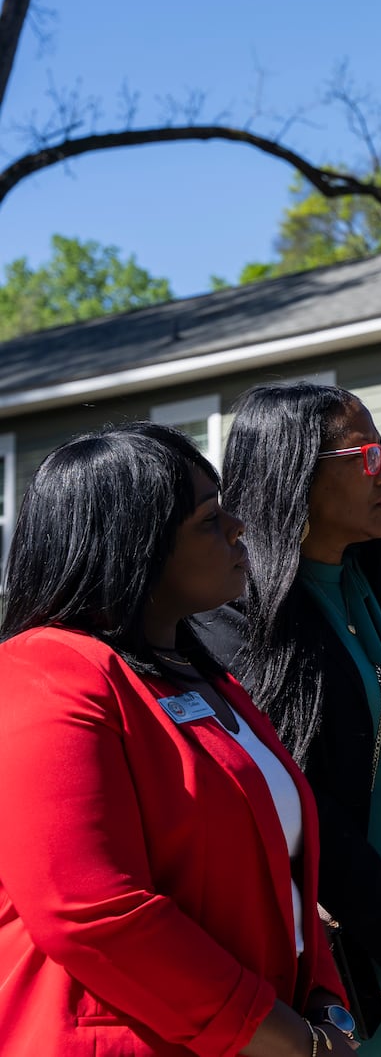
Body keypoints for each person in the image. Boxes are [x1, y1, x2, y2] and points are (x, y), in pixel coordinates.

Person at [0, 422, 357, 1055]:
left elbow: (284, 866)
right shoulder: (44, 673)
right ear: (135, 547)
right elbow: (91, 911)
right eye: (208, 519)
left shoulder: (210, 681)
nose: (238, 529)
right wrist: (287, 1038)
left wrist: (326, 1001)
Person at [196, 384, 381, 1055]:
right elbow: (291, 788)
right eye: (367, 453)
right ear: (295, 468)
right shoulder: (226, 610)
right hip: (326, 954)